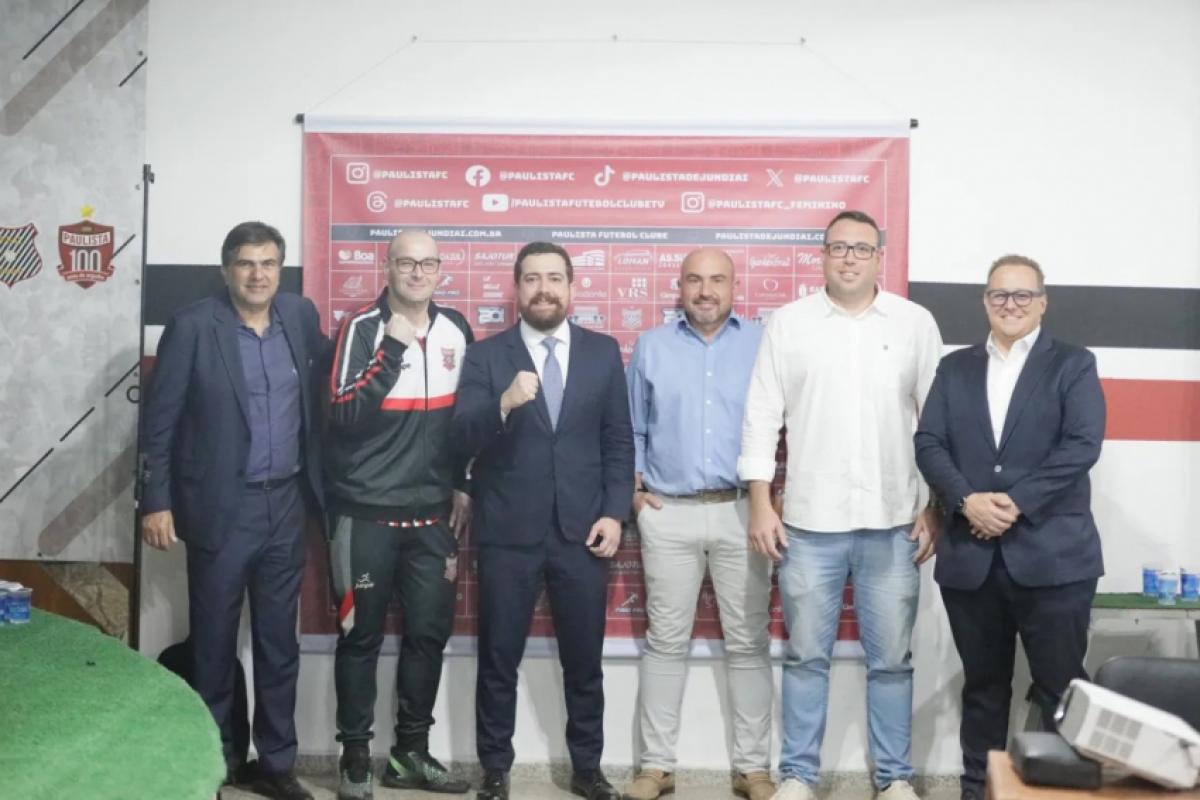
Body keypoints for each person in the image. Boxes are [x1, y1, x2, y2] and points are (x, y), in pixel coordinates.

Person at [739, 210, 943, 800]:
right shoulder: (789, 323)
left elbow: (938, 424)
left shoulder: (914, 323)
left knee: (892, 662)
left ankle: (895, 777)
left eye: (861, 248)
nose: (849, 258)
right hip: (808, 524)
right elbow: (761, 416)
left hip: (894, 522)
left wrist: (934, 505)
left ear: (879, 257)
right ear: (822, 256)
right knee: (805, 658)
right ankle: (798, 776)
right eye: (838, 248)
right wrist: (760, 503)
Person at [141, 221, 326, 800]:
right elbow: (160, 422)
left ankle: (276, 764)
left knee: (279, 645)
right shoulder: (195, 326)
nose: (257, 275)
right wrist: (156, 500)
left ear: (280, 269)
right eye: (246, 263)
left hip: (286, 505)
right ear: (226, 270)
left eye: (268, 263)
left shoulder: (300, 317)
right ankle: (216, 763)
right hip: (221, 506)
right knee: (214, 644)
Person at [914, 254, 1105, 800]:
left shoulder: (1073, 364)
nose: (1011, 304)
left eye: (1023, 295)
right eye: (1000, 294)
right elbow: (929, 442)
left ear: (1042, 302)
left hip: (1054, 559)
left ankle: (1065, 794)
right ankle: (979, 792)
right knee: (983, 691)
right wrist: (965, 501)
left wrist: (1015, 503)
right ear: (985, 302)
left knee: (1061, 691)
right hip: (971, 561)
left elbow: (1081, 445)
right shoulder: (955, 368)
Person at [453, 241, 634, 800]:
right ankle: (495, 769)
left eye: (555, 278)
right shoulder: (487, 356)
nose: (544, 289)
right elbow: (460, 436)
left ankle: (587, 769)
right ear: (517, 288)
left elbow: (618, 442)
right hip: (508, 532)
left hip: (582, 533)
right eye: (532, 278)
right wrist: (503, 403)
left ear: (572, 287)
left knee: (584, 663)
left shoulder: (603, 352)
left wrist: (614, 513)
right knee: (497, 660)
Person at [324, 230, 474, 799]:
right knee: (359, 638)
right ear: (387, 268)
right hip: (364, 512)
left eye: (427, 263)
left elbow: (466, 418)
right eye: (406, 263)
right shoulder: (362, 327)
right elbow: (342, 412)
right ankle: (355, 757)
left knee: (428, 637)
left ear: (440, 270)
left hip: (433, 516)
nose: (417, 273)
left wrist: (461, 484)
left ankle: (410, 754)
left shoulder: (456, 327)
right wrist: (391, 348)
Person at [624, 248, 773, 800]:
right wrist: (634, 493)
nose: (705, 290)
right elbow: (632, 428)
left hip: (743, 512)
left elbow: (782, 423)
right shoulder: (651, 346)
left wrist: (770, 499)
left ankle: (754, 769)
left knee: (749, 643)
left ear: (735, 286)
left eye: (716, 280)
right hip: (668, 513)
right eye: (694, 280)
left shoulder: (763, 343)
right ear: (680, 286)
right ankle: (655, 767)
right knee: (665, 642)